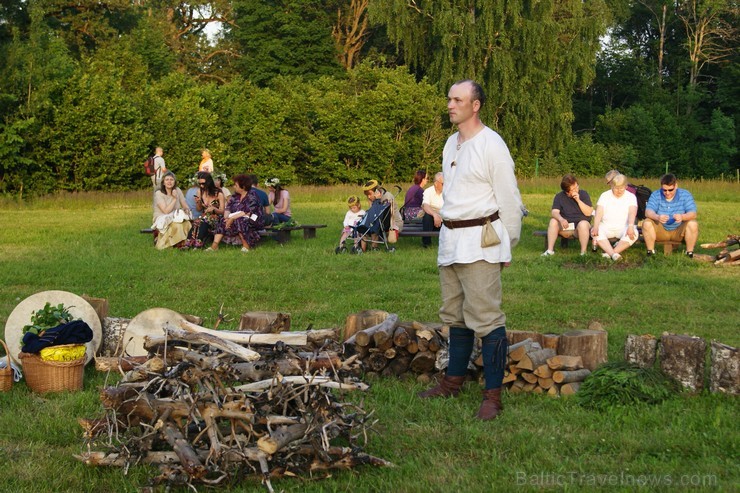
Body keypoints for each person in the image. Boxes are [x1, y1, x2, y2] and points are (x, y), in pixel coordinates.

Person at [418, 80, 523, 421]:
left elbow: (509, 198)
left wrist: (507, 244)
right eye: (449, 98)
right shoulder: (451, 144)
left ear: (475, 105)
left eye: (458, 99)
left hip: (482, 241)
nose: (450, 105)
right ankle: (453, 381)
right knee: (455, 315)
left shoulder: (492, 145)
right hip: (451, 240)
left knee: (486, 317)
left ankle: (492, 396)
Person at [641, 173, 698, 258]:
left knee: (693, 224)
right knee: (647, 223)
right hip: (661, 230)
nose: (667, 193)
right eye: (664, 190)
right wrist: (657, 217)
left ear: (676, 186)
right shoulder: (656, 194)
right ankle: (651, 252)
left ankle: (689, 253)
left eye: (670, 190)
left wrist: (682, 217)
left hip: (679, 231)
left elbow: (693, 214)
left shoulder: (685, 194)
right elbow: (648, 212)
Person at [207, 174, 265, 252]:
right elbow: (228, 208)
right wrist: (226, 217)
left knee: (240, 220)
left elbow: (248, 211)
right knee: (222, 220)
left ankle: (246, 245)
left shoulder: (252, 195)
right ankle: (214, 245)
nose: (234, 187)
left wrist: (232, 218)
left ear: (243, 187)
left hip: (253, 219)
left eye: (236, 185)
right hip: (236, 217)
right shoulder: (235, 196)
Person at [542, 174, 593, 256]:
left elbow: (589, 212)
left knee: (583, 224)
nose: (576, 189)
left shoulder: (583, 194)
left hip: (580, 226)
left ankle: (583, 252)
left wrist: (578, 200)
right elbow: (554, 212)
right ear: (567, 192)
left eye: (577, 186)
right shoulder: (559, 197)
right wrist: (561, 219)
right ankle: (550, 250)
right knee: (553, 221)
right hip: (566, 226)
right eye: (573, 189)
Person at [590, 173, 638, 261]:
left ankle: (610, 254)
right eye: (616, 188)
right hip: (606, 226)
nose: (619, 191)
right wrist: (596, 226)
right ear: (611, 186)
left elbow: (632, 212)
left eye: (621, 188)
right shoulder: (604, 195)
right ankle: (614, 255)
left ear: (626, 186)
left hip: (624, 227)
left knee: (634, 234)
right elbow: (599, 212)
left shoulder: (631, 197)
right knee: (595, 232)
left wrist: (630, 226)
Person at [151, 171, 192, 250]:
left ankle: (183, 243)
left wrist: (187, 210)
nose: (169, 182)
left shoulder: (178, 190)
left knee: (186, 223)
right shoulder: (159, 193)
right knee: (177, 225)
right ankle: (173, 244)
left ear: (174, 182)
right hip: (162, 217)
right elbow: (166, 211)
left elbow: (184, 204)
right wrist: (174, 198)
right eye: (167, 180)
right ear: (163, 182)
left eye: (171, 180)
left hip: (176, 217)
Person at [185, 172, 225, 248]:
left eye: (203, 183)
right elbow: (199, 209)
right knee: (197, 222)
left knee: (203, 221)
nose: (201, 186)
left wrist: (214, 209)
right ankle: (189, 243)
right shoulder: (200, 191)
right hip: (204, 216)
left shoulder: (218, 193)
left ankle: (198, 243)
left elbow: (223, 211)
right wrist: (199, 203)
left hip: (216, 218)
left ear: (209, 182)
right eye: (199, 184)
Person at [362, 179, 403, 245]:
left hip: (392, 223)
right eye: (367, 195)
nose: (368, 197)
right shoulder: (373, 199)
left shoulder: (387, 197)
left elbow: (379, 214)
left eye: (369, 194)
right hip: (382, 222)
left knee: (373, 225)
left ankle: (374, 246)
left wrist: (377, 200)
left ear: (376, 192)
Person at [420, 172, 444, 248]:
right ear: (436, 183)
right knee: (427, 216)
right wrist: (435, 215)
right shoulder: (428, 191)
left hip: (445, 217)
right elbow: (425, 205)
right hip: (432, 219)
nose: (446, 185)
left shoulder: (448, 192)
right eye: (443, 183)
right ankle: (426, 244)